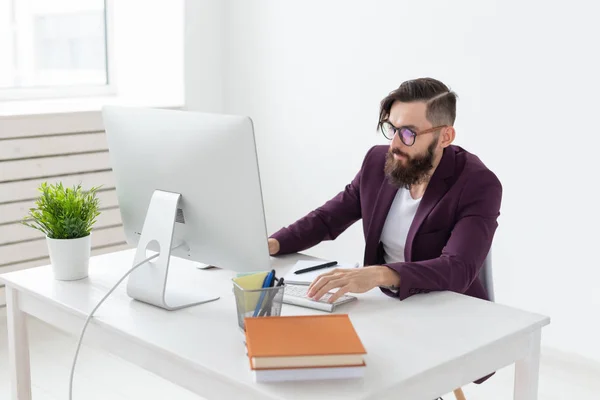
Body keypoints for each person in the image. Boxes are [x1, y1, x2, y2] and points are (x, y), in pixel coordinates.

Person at [268, 77, 502, 305]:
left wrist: (379, 274)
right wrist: (273, 244)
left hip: (453, 310)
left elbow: (458, 269)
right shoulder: (378, 161)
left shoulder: (478, 184)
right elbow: (327, 219)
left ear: (445, 137)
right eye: (392, 128)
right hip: (388, 305)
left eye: (409, 133)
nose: (395, 144)